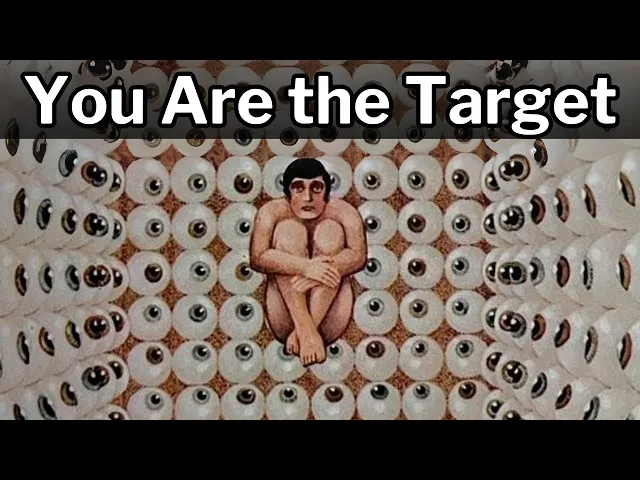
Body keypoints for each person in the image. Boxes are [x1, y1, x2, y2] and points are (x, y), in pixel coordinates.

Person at [249, 158, 367, 367]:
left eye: (316, 188)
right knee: (289, 230)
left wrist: (315, 275)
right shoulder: (271, 212)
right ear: (287, 192)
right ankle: (305, 329)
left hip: (330, 318)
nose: (308, 197)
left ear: (327, 191)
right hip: (284, 315)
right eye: (298, 188)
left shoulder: (344, 212)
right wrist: (307, 267)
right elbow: (257, 257)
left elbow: (359, 256)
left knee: (330, 231)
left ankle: (304, 332)